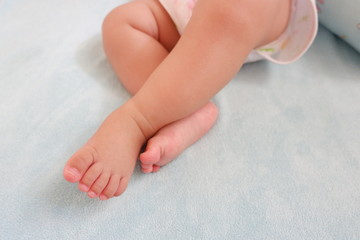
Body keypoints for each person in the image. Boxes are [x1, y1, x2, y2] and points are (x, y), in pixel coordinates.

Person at [63, 0, 318, 200]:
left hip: (258, 10)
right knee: (120, 22)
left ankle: (137, 120)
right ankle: (187, 110)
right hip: (185, 9)